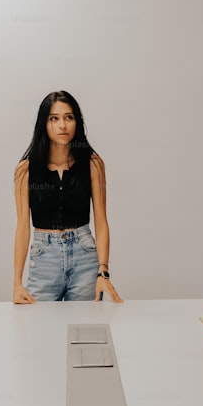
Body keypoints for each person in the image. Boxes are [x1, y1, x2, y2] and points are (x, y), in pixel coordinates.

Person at [12, 91, 123, 303]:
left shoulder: (93, 165)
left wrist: (103, 271)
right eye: (54, 118)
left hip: (84, 256)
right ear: (44, 124)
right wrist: (16, 283)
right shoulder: (25, 170)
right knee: (39, 329)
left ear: (77, 122)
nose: (62, 125)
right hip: (44, 259)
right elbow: (23, 227)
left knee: (85, 329)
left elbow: (101, 222)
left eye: (68, 117)